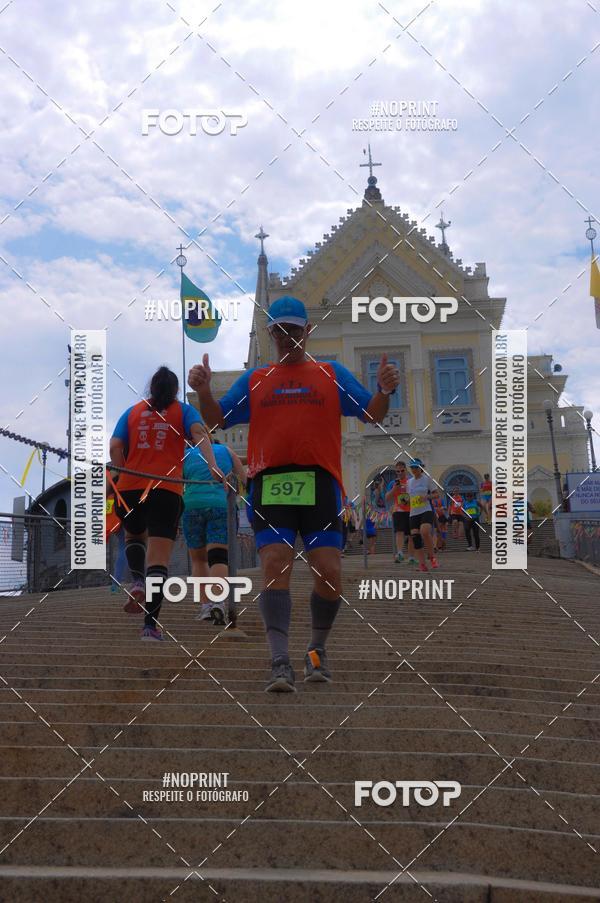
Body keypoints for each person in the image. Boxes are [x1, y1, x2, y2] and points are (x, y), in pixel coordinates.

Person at [189, 295, 399, 691]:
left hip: (320, 484)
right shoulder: (256, 379)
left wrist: (384, 391)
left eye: (294, 330)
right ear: (270, 333)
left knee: (330, 572)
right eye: (279, 330)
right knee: (274, 565)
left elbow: (372, 413)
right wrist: (203, 391)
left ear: (308, 331)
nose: (287, 337)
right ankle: (279, 661)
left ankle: (316, 651)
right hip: (270, 482)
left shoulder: (331, 373)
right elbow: (217, 418)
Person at [110, 366, 223, 640]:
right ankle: (149, 627)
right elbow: (200, 434)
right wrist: (213, 466)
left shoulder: (133, 412)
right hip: (166, 490)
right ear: (175, 390)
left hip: (130, 488)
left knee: (134, 536)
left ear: (151, 387)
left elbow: (114, 445)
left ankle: (137, 581)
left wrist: (123, 471)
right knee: (158, 560)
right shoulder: (183, 411)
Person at [182, 437, 246, 624]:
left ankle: (206, 607)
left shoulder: (186, 455)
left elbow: (178, 483)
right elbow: (243, 479)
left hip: (192, 505)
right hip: (221, 504)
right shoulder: (226, 451)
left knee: (199, 560)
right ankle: (219, 601)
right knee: (218, 557)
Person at [407, 459, 439, 572]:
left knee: (425, 532)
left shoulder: (427, 479)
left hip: (426, 510)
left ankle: (432, 557)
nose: (414, 469)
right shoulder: (409, 482)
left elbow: (437, 494)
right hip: (413, 513)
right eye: (412, 467)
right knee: (416, 538)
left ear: (421, 467)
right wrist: (405, 501)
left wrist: (427, 497)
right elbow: (409, 497)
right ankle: (422, 564)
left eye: (416, 467)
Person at [385, 460, 415, 564]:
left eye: (402, 470)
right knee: (399, 532)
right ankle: (400, 553)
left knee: (411, 535)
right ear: (396, 472)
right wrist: (394, 489)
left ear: (406, 470)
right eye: (398, 471)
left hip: (411, 511)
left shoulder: (411, 482)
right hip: (398, 511)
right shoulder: (393, 483)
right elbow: (387, 497)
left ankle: (411, 557)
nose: (400, 473)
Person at [430, 488, 448, 552]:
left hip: (441, 517)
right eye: (433, 493)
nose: (435, 494)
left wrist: (441, 508)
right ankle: (437, 546)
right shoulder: (430, 501)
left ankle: (441, 546)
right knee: (437, 532)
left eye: (436, 493)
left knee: (441, 531)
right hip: (434, 517)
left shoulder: (441, 500)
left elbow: (445, 507)